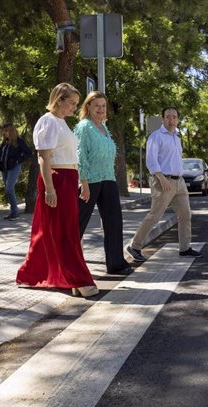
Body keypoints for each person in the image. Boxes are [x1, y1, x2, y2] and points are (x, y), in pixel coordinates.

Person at [16, 83, 98, 298]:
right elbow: (43, 157)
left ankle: (31, 274)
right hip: (57, 180)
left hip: (67, 179)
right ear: (59, 99)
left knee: (49, 230)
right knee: (65, 232)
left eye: (75, 103)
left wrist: (80, 181)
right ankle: (78, 278)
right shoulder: (49, 121)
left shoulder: (61, 122)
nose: (74, 107)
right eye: (71, 103)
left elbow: (71, 156)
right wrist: (50, 189)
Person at [126, 107, 202, 262]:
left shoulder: (177, 136)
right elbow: (151, 160)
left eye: (174, 117)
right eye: (168, 117)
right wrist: (162, 178)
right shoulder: (156, 136)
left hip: (179, 182)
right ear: (163, 119)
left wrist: (178, 177)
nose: (171, 120)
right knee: (155, 216)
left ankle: (185, 248)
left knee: (185, 214)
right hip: (163, 182)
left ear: (178, 119)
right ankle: (134, 246)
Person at [75, 91, 133, 275]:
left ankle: (116, 264)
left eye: (103, 106)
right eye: (96, 105)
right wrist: (83, 182)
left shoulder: (104, 127)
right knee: (77, 225)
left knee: (114, 222)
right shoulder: (84, 127)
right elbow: (80, 155)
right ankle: (66, 264)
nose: (100, 109)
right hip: (90, 180)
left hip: (108, 179)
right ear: (88, 107)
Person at [0, 123, 32, 220]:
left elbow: (28, 153)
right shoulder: (5, 142)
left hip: (14, 167)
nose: (3, 132)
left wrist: (17, 160)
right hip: (4, 168)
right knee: (9, 189)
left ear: (10, 131)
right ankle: (13, 212)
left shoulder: (19, 141)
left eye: (5, 130)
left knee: (9, 189)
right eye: (3, 131)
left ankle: (15, 212)